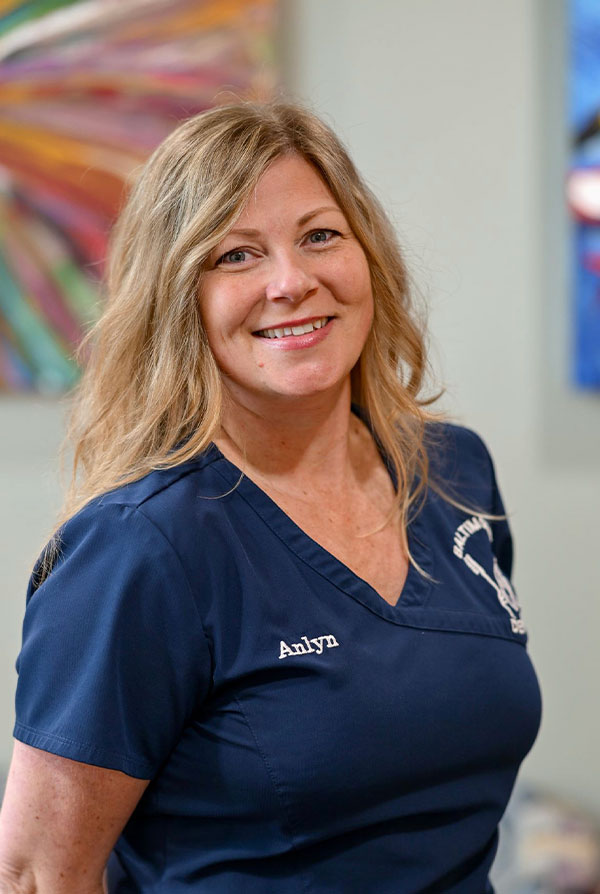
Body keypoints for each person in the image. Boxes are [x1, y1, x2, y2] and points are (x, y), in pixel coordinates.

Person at [0, 101, 542, 893]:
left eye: (320, 236)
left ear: (368, 256)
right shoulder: (139, 548)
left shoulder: (453, 471)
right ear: (178, 296)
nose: (292, 282)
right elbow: (39, 874)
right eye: (236, 255)